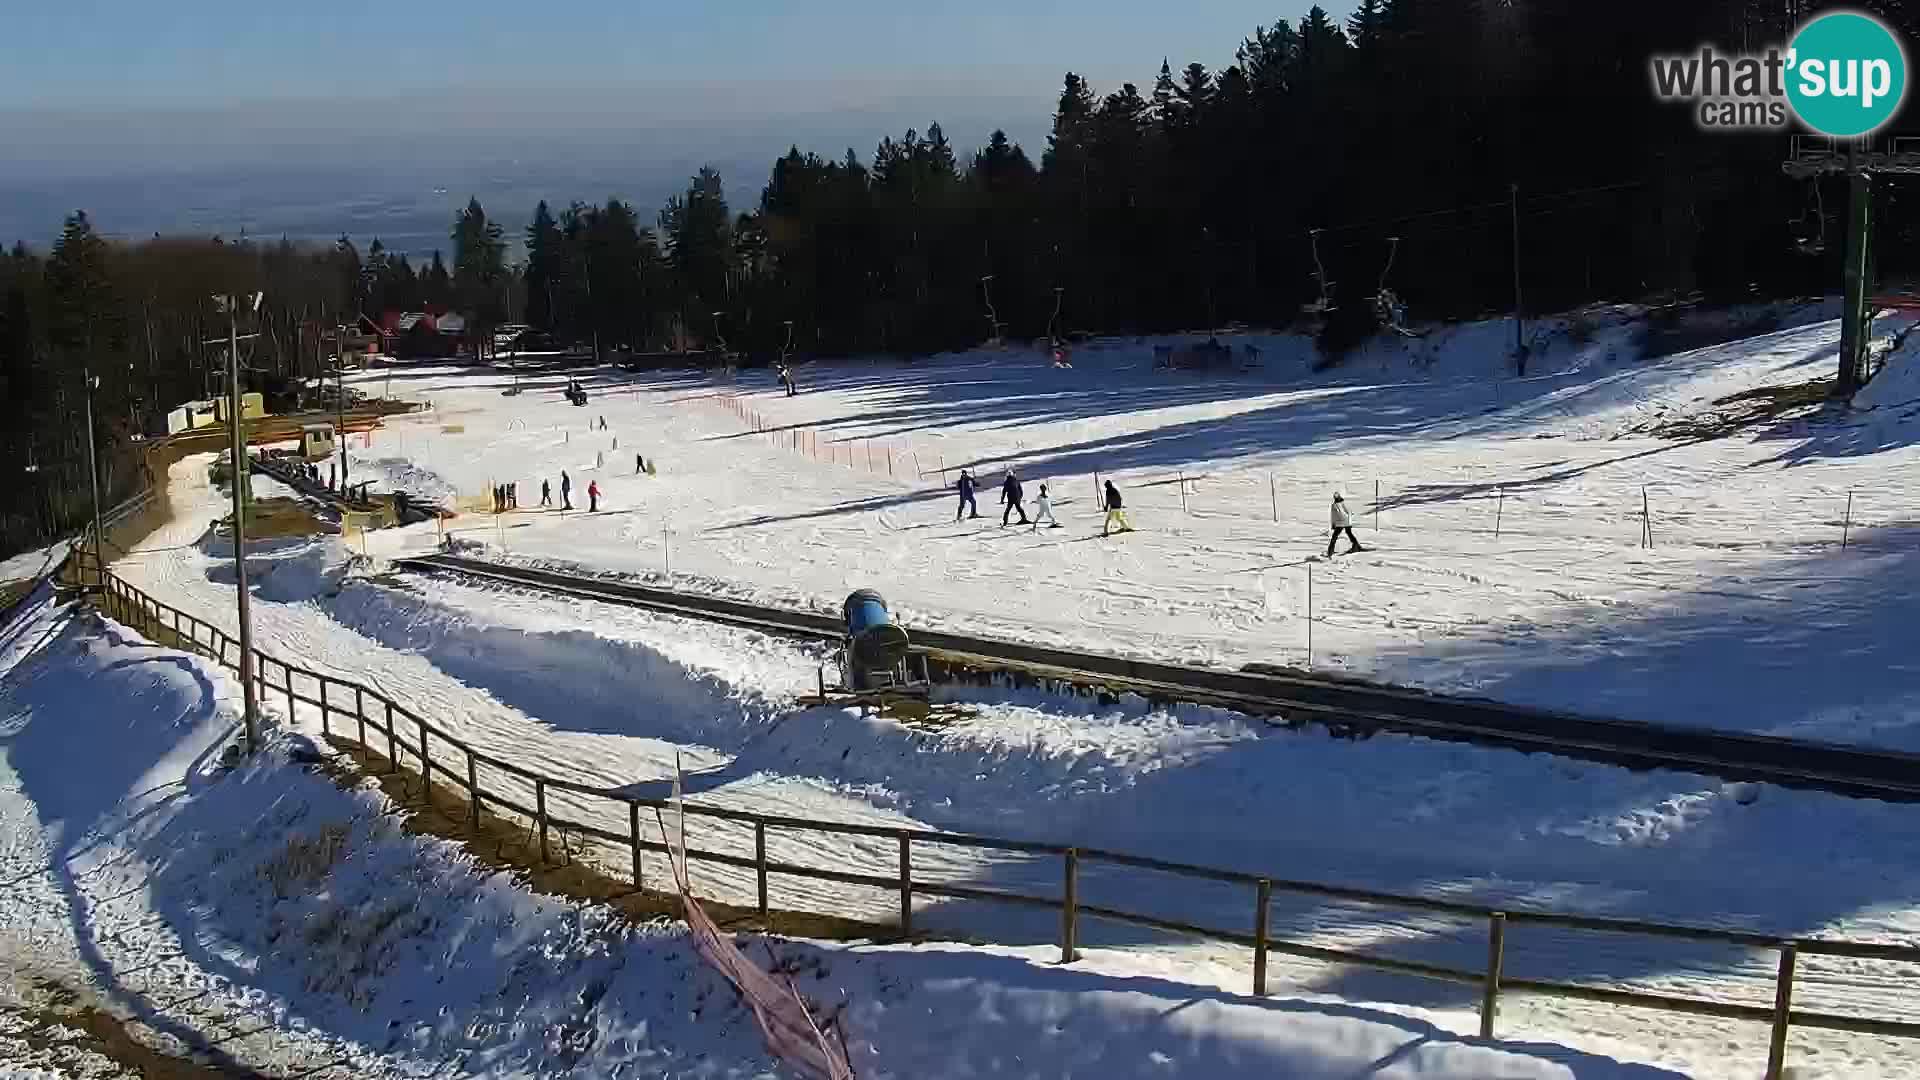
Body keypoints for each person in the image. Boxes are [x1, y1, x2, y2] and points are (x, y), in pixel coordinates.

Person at [1327, 492, 1365, 557]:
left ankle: (1330, 551)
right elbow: (1349, 511)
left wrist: (1333, 524)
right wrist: (1349, 517)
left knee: (1334, 536)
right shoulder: (1344, 503)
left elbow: (1333, 515)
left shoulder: (1334, 505)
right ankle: (1356, 545)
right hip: (1347, 521)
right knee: (1349, 533)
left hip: (1340, 522)